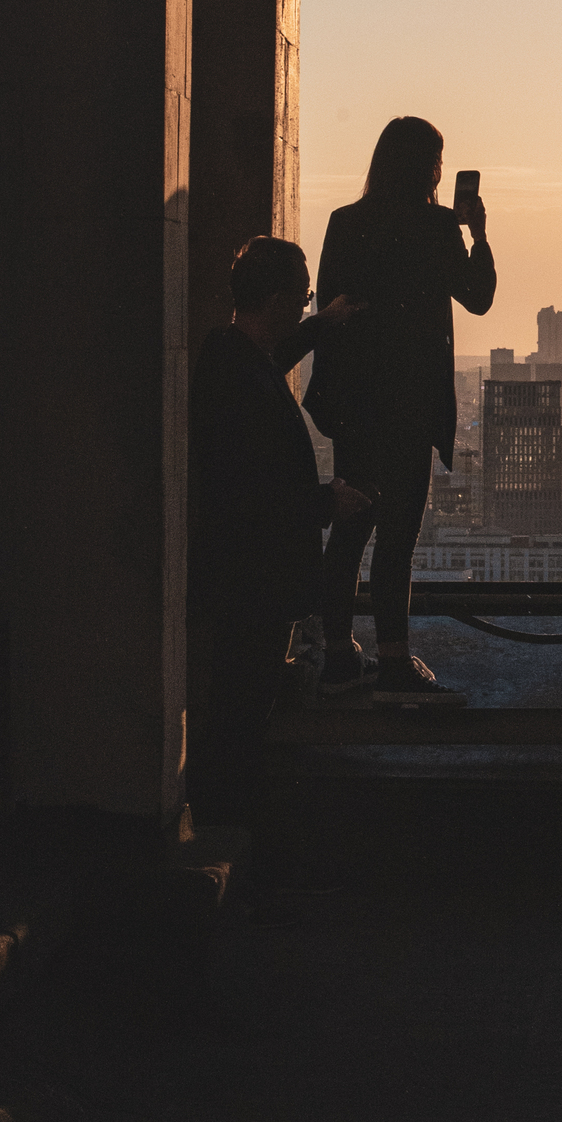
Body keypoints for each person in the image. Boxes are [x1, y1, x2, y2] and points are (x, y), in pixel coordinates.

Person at [308, 117, 495, 702]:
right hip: (412, 401)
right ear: (427, 167)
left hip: (359, 401)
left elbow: (331, 313)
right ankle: (393, 660)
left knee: (350, 527)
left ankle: (338, 656)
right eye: (438, 159)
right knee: (397, 537)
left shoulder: (345, 222)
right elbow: (480, 298)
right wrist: (478, 234)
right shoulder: (438, 226)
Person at [188, 235, 374, 818]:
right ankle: (224, 828)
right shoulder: (237, 373)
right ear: (273, 298)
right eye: (301, 297)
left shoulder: (234, 360)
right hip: (253, 584)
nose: (303, 305)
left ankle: (224, 829)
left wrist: (321, 325)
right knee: (240, 715)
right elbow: (250, 491)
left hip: (248, 581)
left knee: (239, 712)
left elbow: (275, 356)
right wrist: (325, 502)